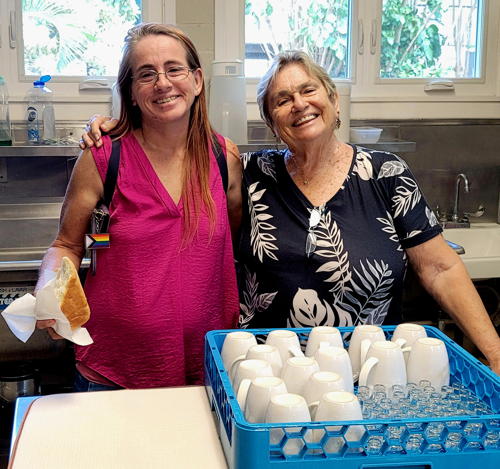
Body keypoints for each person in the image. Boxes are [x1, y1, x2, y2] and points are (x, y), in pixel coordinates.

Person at [83, 51, 500, 374]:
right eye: (282, 100)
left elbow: (441, 268)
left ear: (334, 101)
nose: (299, 104)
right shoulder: (250, 174)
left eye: (308, 91)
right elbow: (171, 174)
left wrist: (495, 353)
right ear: (271, 121)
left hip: (373, 373)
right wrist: (115, 126)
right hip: (265, 376)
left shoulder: (386, 173)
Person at [35, 22, 241, 391]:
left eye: (174, 69)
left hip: (210, 368)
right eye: (146, 74)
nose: (163, 83)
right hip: (114, 371)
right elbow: (66, 244)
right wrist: (49, 288)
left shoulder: (225, 158)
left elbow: (234, 242)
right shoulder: (103, 156)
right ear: (130, 92)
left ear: (196, 80)